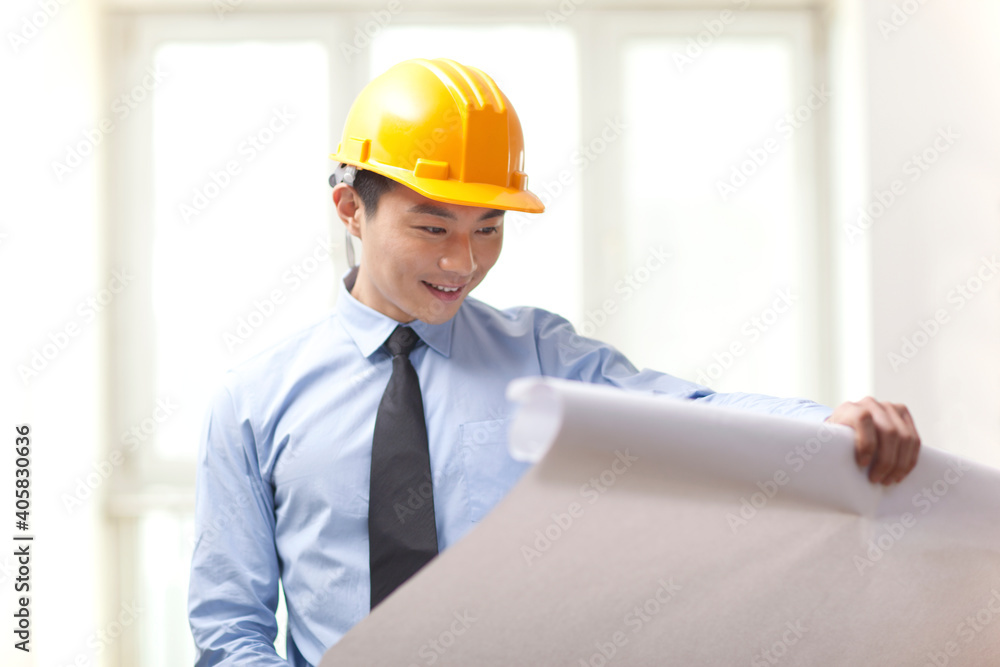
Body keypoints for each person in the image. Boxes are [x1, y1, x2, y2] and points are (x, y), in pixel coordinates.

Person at [187, 57, 921, 666]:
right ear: (351, 208)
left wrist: (828, 425)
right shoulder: (254, 402)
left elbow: (686, 413)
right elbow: (231, 627)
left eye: (489, 227)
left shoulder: (540, 357)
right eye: (433, 225)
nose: (462, 261)